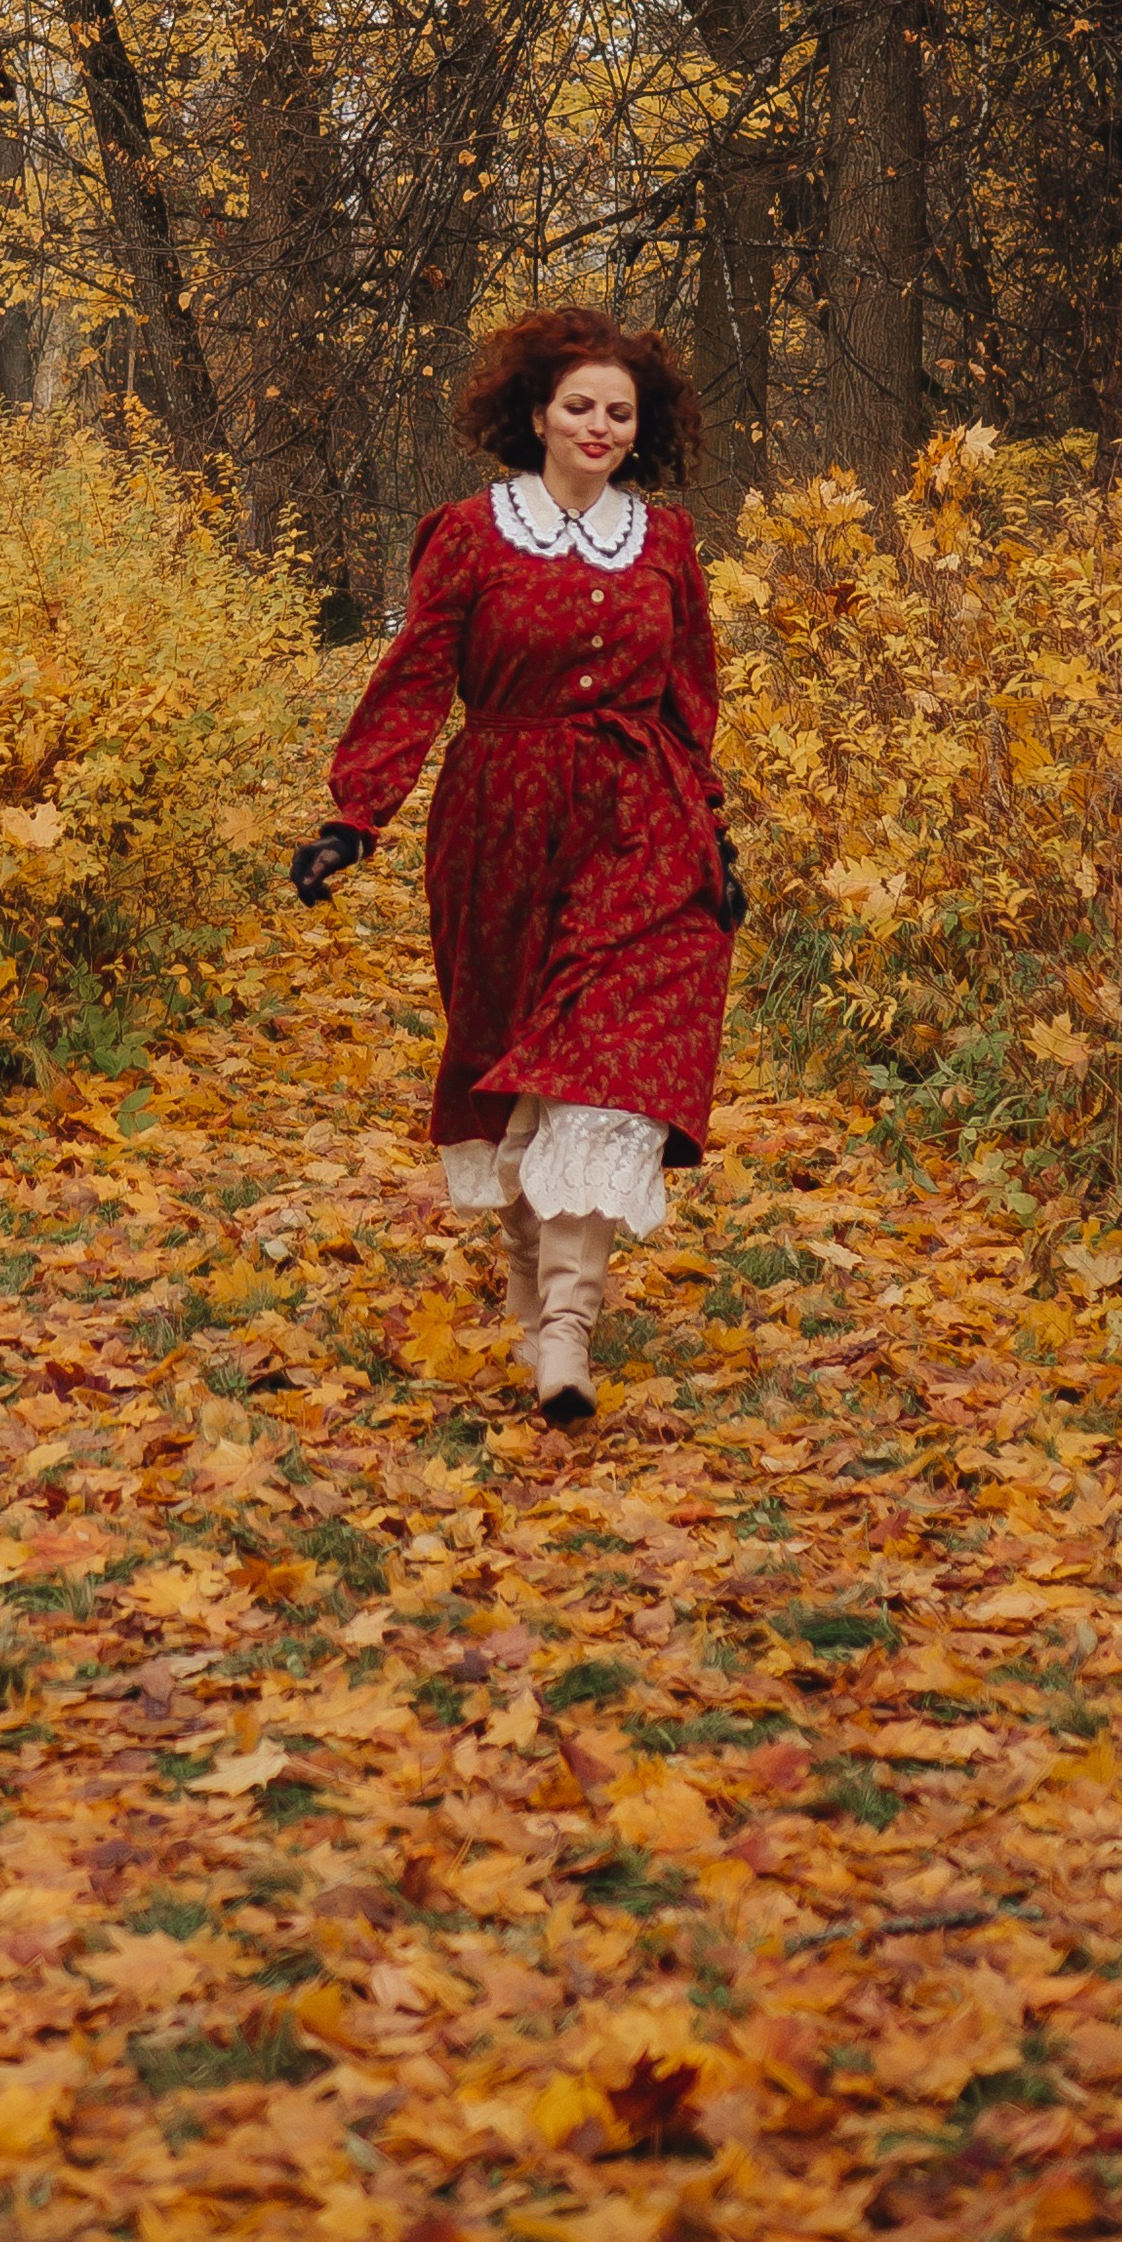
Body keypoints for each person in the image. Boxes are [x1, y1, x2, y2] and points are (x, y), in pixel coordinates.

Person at [288, 309, 742, 1427]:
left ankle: (569, 1332)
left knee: (607, 1061)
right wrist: (356, 817)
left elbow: (691, 700)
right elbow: (415, 676)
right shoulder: (467, 535)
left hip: (641, 820)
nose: (598, 425)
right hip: (497, 818)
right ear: (535, 414)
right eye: (579, 405)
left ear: (643, 431)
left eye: (618, 413)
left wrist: (713, 836)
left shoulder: (668, 545)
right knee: (506, 1057)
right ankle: (534, 1286)